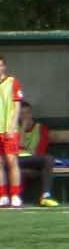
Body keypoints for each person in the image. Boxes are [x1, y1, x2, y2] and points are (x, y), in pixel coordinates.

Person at [0, 54, 22, 208]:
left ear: (4, 66)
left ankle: (15, 195)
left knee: (11, 161)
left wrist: (12, 126)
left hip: (8, 130)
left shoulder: (12, 82)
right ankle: (2, 196)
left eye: (0, 65)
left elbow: (17, 106)